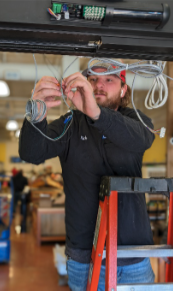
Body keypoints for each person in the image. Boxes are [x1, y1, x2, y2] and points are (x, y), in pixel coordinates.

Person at [19, 62, 155, 291]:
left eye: (109, 79)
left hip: (134, 255)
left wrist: (96, 113)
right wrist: (37, 111)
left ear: (123, 90)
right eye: (92, 80)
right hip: (85, 256)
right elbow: (32, 153)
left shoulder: (135, 121)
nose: (99, 85)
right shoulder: (70, 124)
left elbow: (144, 139)